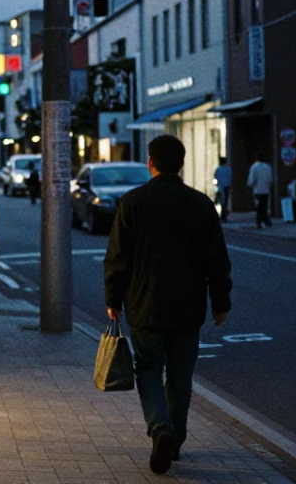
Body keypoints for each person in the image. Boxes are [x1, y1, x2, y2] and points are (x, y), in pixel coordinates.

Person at [104, 134, 233, 475]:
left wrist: (112, 299)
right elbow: (217, 260)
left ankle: (159, 426)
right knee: (180, 375)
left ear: (151, 163)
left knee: (147, 367)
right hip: (188, 304)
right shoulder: (201, 204)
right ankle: (174, 439)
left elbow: (118, 256)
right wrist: (221, 301)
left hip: (145, 302)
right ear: (182, 163)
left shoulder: (133, 202)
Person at [247, 153, 274, 229]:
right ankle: (266, 220)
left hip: (257, 190)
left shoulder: (254, 167)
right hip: (266, 189)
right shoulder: (268, 167)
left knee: (259, 207)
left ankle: (259, 222)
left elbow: (251, 180)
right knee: (264, 206)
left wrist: (250, 185)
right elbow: (270, 179)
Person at [213, 157, 233, 223]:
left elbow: (215, 176)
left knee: (221, 202)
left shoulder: (218, 169)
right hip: (226, 187)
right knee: (225, 202)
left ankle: (223, 216)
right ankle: (224, 216)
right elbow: (230, 177)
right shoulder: (228, 169)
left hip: (220, 187)